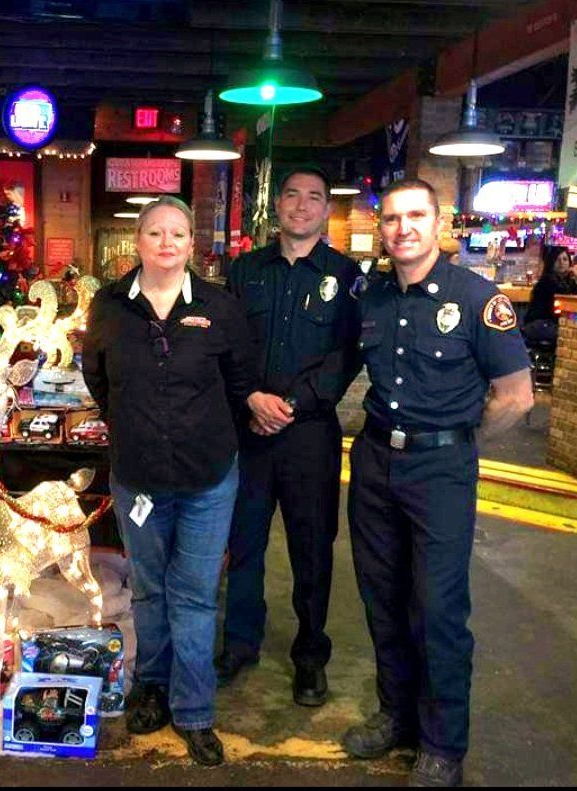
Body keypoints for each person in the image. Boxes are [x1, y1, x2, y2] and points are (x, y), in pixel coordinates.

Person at [342, 179, 533, 786]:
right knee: (382, 599)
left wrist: (460, 442)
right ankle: (396, 715)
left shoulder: (478, 299)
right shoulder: (371, 296)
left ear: (439, 221)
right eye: (393, 218)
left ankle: (443, 745)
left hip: (441, 471)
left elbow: (516, 397)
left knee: (439, 610)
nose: (403, 228)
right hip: (373, 463)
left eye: (416, 215)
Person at [82, 196, 263, 766]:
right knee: (150, 588)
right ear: (137, 242)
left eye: (177, 234)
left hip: (207, 478)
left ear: (192, 244)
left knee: (193, 593)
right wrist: (136, 427)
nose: (166, 242)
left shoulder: (219, 306)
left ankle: (195, 712)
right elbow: (98, 378)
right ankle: (151, 688)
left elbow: (241, 382)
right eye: (154, 232)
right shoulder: (109, 306)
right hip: (138, 479)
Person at [217, 167, 360, 707]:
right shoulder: (245, 271)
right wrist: (251, 397)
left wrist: (293, 405)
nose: (302, 205)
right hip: (248, 431)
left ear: (326, 210)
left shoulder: (347, 277)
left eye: (315, 197)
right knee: (244, 543)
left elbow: (346, 355)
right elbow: (227, 347)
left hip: (310, 437)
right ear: (276, 205)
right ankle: (240, 644)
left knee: (312, 549)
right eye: (292, 195)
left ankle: (309, 655)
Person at [522, 245, 577, 344]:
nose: (561, 263)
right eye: (557, 260)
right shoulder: (548, 280)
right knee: (571, 334)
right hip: (540, 324)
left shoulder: (568, 281)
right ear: (551, 262)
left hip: (550, 323)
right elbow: (566, 299)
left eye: (565, 259)